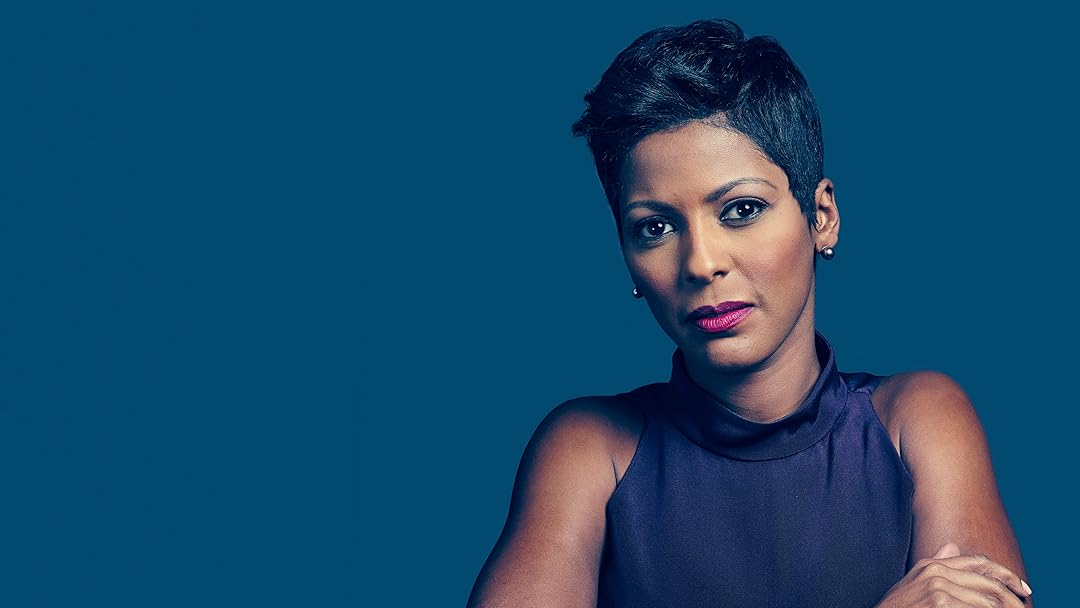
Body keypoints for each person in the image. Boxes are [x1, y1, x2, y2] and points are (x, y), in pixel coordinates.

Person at [466, 18, 1031, 608]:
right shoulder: (589, 450)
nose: (701, 263)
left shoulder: (915, 421)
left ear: (821, 217)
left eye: (740, 210)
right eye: (655, 228)